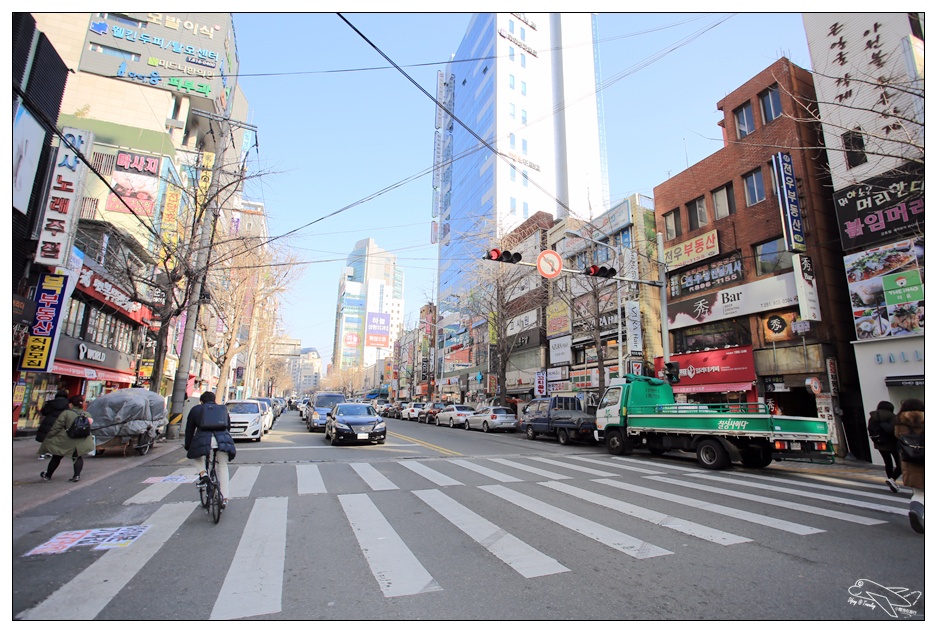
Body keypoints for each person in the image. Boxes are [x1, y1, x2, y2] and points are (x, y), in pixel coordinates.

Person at [183, 391, 236, 507]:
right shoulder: (222, 409)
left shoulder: (196, 410)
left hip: (203, 440)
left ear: (201, 401)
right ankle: (225, 496)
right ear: (214, 400)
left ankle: (203, 474)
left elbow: (189, 430)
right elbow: (228, 427)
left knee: (197, 457)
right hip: (221, 440)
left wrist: (188, 446)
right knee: (222, 465)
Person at [38, 395, 93, 482]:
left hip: (66, 439)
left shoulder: (66, 413)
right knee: (77, 457)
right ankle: (76, 476)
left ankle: (48, 475)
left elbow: (56, 427)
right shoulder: (87, 414)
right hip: (81, 440)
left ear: (71, 404)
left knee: (56, 457)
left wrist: (49, 436)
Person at [894, 398, 924, 534]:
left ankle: (916, 511)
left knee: (919, 493)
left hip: (911, 461)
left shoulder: (899, 422)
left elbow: (897, 437)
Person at [867, 400, 902, 493]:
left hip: (879, 443)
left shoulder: (873, 417)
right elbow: (893, 430)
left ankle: (891, 479)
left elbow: (870, 429)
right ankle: (893, 479)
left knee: (888, 463)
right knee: (900, 463)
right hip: (893, 442)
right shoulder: (893, 417)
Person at [36, 389, 70, 458]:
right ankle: (51, 452)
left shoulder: (51, 403)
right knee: (55, 437)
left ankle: (43, 453)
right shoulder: (67, 404)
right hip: (60, 422)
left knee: (46, 437)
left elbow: (44, 412)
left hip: (49, 421)